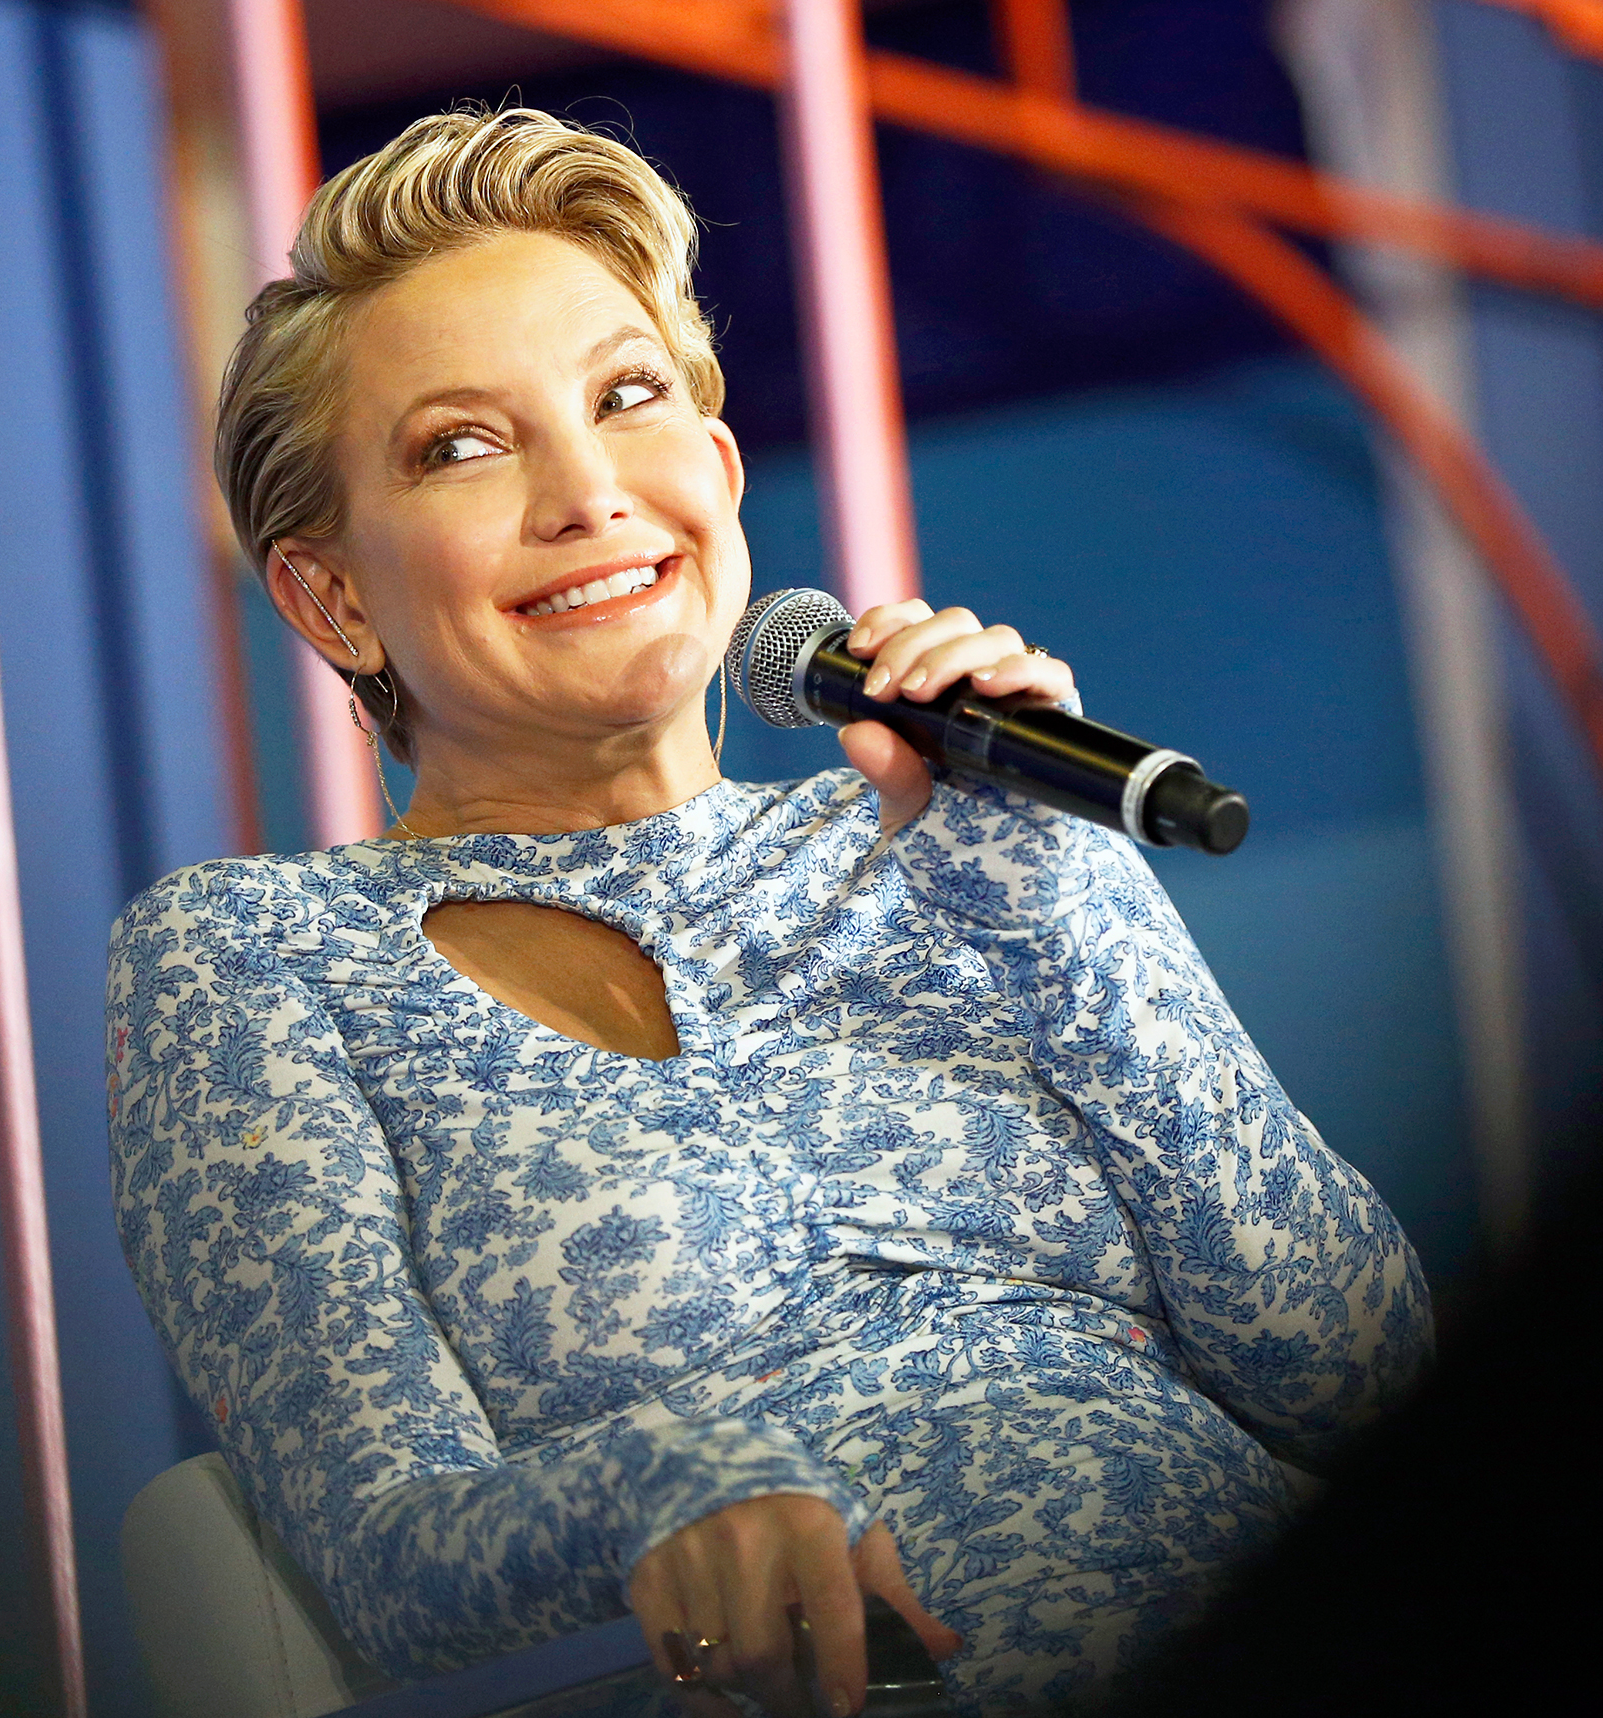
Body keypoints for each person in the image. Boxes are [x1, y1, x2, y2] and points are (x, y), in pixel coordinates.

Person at [107, 107, 1431, 1716]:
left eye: (626, 399)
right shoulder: (256, 956)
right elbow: (383, 1552)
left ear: (719, 477)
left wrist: (1058, 886)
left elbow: (1360, 1375)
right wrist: (672, 1481)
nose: (589, 492)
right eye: (465, 443)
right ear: (329, 593)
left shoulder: (951, 828)